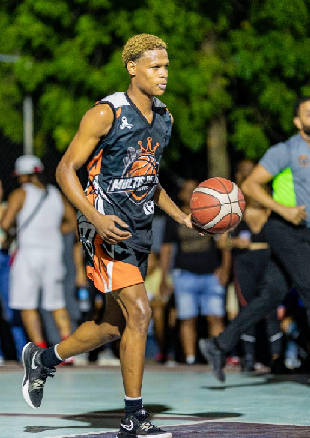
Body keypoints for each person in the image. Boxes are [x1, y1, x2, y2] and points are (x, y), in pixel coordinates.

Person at [22, 34, 181, 437]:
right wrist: (94, 215)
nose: (163, 74)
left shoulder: (164, 118)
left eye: (165, 66)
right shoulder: (105, 113)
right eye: (154, 67)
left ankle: (43, 360)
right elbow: (64, 170)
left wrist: (181, 216)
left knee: (114, 327)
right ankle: (133, 417)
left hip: (138, 229)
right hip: (103, 229)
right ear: (132, 68)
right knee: (140, 313)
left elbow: (149, 179)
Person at [198, 96, 310, 390]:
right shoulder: (284, 151)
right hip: (283, 228)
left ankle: (219, 345)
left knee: (271, 296)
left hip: (306, 232)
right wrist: (283, 210)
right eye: (309, 112)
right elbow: (249, 186)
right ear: (298, 122)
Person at [0, 156, 76, 354]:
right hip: (53, 254)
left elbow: (6, 224)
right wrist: (51, 230)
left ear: (23, 176)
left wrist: (19, 230)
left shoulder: (20, 193)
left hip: (28, 255)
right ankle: (66, 351)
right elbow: (73, 223)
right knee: (57, 302)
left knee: (27, 303)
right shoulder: (55, 194)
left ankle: (40, 349)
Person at [159, 178, 230, 365]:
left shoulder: (211, 212)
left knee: (215, 317)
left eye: (195, 190)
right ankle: (190, 359)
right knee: (186, 318)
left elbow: (224, 243)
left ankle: (218, 357)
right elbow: (166, 249)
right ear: (181, 195)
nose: (191, 194)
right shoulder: (173, 217)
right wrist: (164, 278)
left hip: (211, 273)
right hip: (184, 274)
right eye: (188, 191)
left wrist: (225, 268)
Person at [226, 159, 284, 372]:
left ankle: (277, 357)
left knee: (271, 311)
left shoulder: (272, 210)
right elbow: (220, 240)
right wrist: (233, 242)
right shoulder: (234, 211)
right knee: (247, 310)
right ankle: (248, 358)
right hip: (245, 265)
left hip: (269, 263)